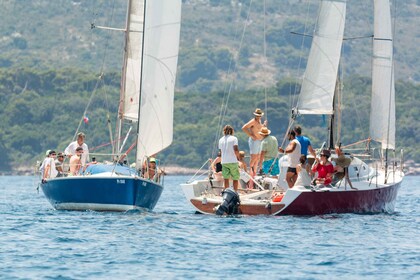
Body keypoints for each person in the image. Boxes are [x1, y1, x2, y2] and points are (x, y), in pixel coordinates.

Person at [242, 108, 267, 177]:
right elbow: (244, 127)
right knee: (254, 157)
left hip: (259, 140)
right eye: (257, 115)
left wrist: (264, 125)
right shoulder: (253, 121)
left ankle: (254, 173)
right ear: (255, 115)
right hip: (254, 141)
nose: (258, 117)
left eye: (259, 115)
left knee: (258, 157)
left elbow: (259, 128)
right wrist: (251, 135)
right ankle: (250, 172)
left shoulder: (259, 121)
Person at [218, 125, 240, 191]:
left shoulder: (220, 140)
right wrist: (238, 157)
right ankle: (235, 193)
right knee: (235, 178)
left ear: (224, 131)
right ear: (232, 131)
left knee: (226, 179)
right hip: (233, 161)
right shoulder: (234, 138)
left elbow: (220, 152)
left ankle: (227, 192)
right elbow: (235, 149)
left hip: (224, 161)